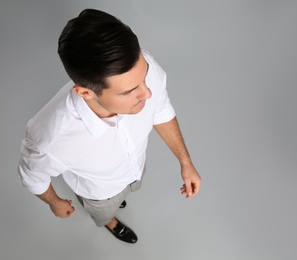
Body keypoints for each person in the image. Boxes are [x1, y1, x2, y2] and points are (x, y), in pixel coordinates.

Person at [18, 9, 201, 244]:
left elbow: (161, 109)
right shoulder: (50, 140)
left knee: (132, 185)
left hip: (134, 169)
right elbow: (32, 176)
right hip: (99, 195)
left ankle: (122, 197)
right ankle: (110, 222)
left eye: (143, 78)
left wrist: (185, 162)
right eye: (128, 91)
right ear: (85, 93)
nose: (147, 92)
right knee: (103, 213)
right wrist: (55, 202)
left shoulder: (144, 67)